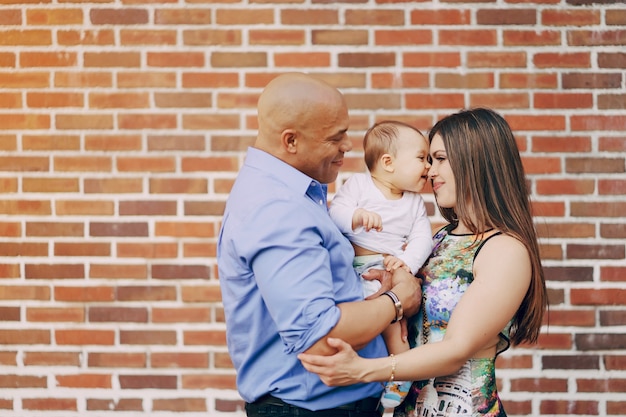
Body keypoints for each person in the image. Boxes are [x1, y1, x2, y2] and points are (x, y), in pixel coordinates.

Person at [298, 107, 548, 417]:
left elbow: (455, 351)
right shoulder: (440, 239)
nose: (429, 171)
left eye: (440, 159)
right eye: (428, 160)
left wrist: (362, 370)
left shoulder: (504, 249)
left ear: (476, 160)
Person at [217, 72, 422, 417]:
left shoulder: (289, 194)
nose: (347, 146)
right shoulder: (277, 208)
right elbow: (321, 336)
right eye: (335, 137)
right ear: (291, 141)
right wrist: (398, 300)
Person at [329, 120, 433, 408]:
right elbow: (335, 212)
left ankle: (400, 377)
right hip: (355, 269)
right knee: (352, 319)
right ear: (388, 162)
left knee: (393, 328)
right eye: (421, 158)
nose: (428, 167)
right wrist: (356, 215)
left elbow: (423, 238)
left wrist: (405, 263)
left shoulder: (413, 203)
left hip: (389, 270)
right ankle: (347, 366)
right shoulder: (359, 185)